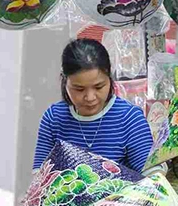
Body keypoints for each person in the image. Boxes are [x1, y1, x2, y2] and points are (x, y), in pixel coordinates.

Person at [33, 39, 154, 173]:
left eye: (99, 87)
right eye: (79, 89)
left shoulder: (129, 118)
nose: (90, 98)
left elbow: (151, 174)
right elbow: (40, 177)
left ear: (109, 77)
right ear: (64, 80)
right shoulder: (54, 118)